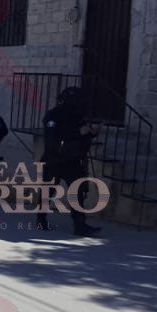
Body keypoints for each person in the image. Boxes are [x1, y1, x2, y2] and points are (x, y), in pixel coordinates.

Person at [37, 87, 101, 236]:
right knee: (48, 191)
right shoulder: (52, 116)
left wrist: (91, 133)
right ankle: (41, 219)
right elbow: (53, 137)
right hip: (54, 160)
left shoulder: (77, 116)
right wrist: (77, 132)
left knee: (77, 191)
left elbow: (81, 137)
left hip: (72, 160)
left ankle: (80, 224)